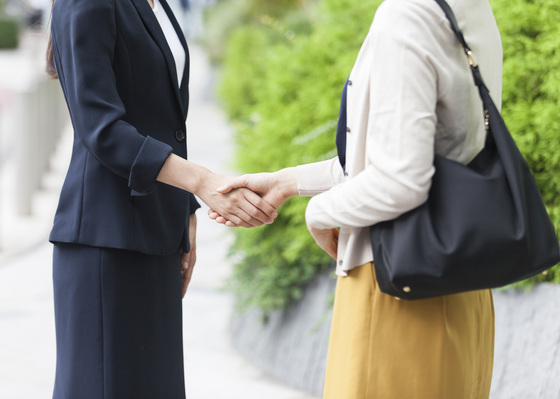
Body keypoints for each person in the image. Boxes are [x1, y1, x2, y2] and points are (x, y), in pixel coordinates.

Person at [211, 0, 502, 396]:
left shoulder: (405, 17)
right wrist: (290, 181)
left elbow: (403, 180)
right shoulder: (466, 7)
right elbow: (426, 154)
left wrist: (318, 211)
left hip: (396, 288)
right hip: (461, 285)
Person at [45, 0, 276, 397]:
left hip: (157, 233)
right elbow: (102, 130)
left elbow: (162, 120)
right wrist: (200, 183)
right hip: (107, 242)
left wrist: (185, 211)